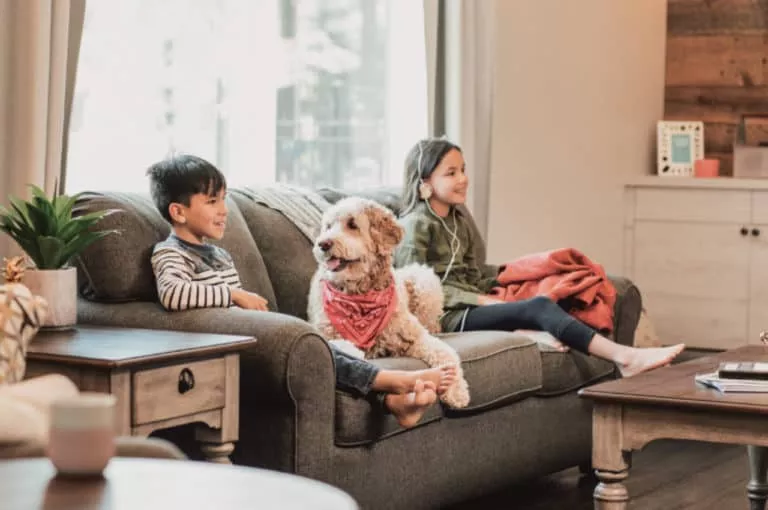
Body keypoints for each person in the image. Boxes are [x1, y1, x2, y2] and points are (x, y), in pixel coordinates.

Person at [146, 154, 456, 428]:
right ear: (179, 212)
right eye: (212, 201)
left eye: (224, 200)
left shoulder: (220, 255)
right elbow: (173, 294)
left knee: (332, 357)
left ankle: (391, 402)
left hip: (247, 333)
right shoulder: (169, 253)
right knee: (325, 355)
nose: (223, 210)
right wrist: (234, 295)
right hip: (230, 346)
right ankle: (391, 381)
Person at [394, 138, 685, 377]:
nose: (463, 179)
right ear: (425, 181)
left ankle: (527, 330)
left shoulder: (458, 221)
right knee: (540, 307)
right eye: (451, 173)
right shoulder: (415, 225)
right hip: (446, 315)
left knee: (552, 293)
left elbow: (474, 273)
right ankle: (626, 358)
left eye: (463, 170)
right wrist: (481, 301)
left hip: (470, 305)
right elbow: (413, 289)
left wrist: (514, 283)